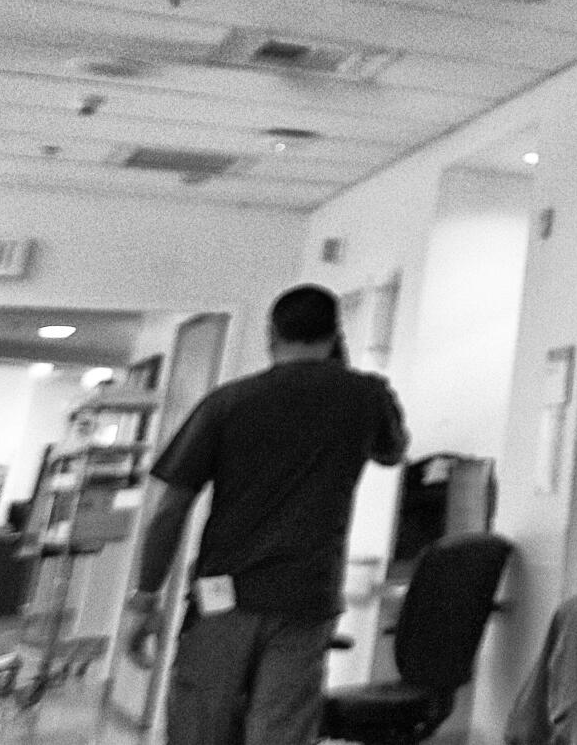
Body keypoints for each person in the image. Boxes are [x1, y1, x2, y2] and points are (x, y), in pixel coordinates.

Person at [123, 285, 409, 745]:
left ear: (269, 334)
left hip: (223, 603)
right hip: (306, 600)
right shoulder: (365, 397)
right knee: (281, 734)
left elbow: (171, 507)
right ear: (336, 334)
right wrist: (343, 372)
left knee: (200, 730)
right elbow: (392, 450)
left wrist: (144, 598)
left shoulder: (229, 402)